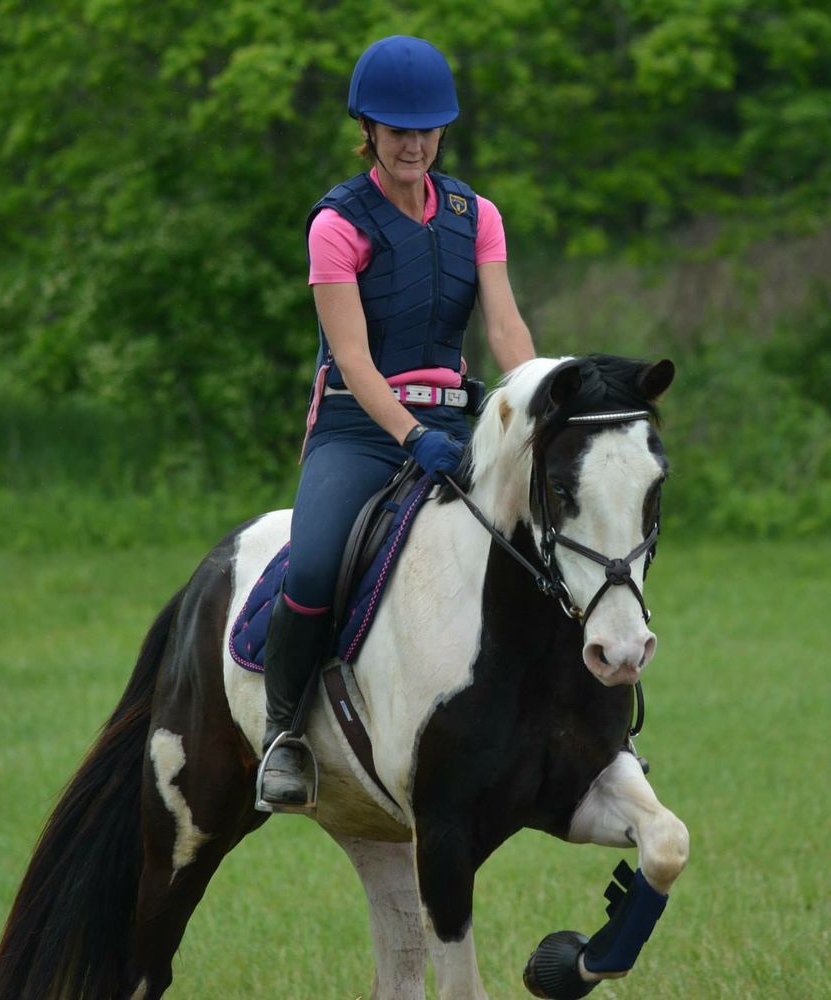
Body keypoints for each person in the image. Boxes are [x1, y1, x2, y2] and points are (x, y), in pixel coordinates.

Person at [259, 35, 536, 807]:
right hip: (358, 428)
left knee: (548, 542)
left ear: (441, 130)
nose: (412, 143)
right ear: (369, 131)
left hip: (457, 422)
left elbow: (505, 329)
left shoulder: (475, 215)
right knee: (313, 566)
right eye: (395, 129)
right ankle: (283, 731)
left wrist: (534, 403)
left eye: (425, 128)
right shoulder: (335, 225)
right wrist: (412, 437)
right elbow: (351, 358)